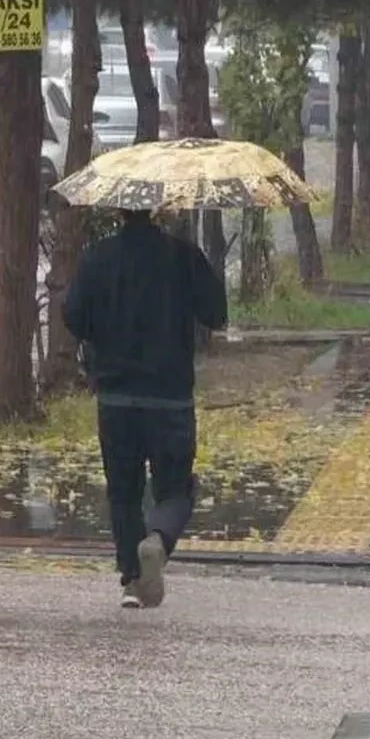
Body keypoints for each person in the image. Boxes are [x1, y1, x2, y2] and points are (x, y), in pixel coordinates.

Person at [63, 209, 227, 610]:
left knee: (123, 492)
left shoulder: (97, 257)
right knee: (176, 487)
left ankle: (132, 582)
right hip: (170, 396)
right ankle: (158, 538)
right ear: (157, 211)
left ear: (119, 210)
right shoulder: (183, 256)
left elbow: (74, 318)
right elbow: (217, 316)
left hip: (116, 397)